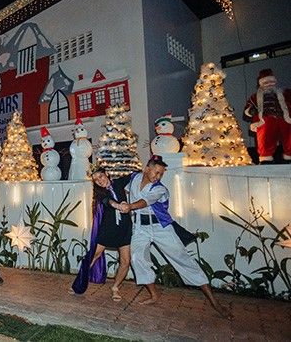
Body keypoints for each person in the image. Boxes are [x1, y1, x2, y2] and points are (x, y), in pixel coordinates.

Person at [117, 155, 231, 318]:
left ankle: (214, 302)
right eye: (156, 172)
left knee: (182, 258)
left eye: (161, 174)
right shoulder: (134, 178)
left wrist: (130, 206)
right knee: (137, 259)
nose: (158, 177)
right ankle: (154, 294)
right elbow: (126, 189)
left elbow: (144, 202)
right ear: (147, 168)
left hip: (161, 228)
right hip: (140, 228)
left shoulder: (160, 189)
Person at [71, 166, 131, 301]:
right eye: (96, 180)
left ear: (106, 174)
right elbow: (107, 201)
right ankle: (80, 283)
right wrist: (118, 205)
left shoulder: (119, 183)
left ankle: (115, 287)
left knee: (126, 261)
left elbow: (135, 176)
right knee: (94, 255)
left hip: (124, 228)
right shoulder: (99, 192)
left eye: (101, 176)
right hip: (108, 229)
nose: (99, 181)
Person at [243, 68, 291, 164]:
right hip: (265, 119)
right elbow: (247, 109)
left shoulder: (284, 93)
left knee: (289, 135)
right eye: (266, 82)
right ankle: (266, 158)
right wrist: (251, 111)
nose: (269, 84)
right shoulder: (255, 97)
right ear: (261, 84)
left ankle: (289, 156)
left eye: (271, 82)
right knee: (265, 137)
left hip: (284, 118)